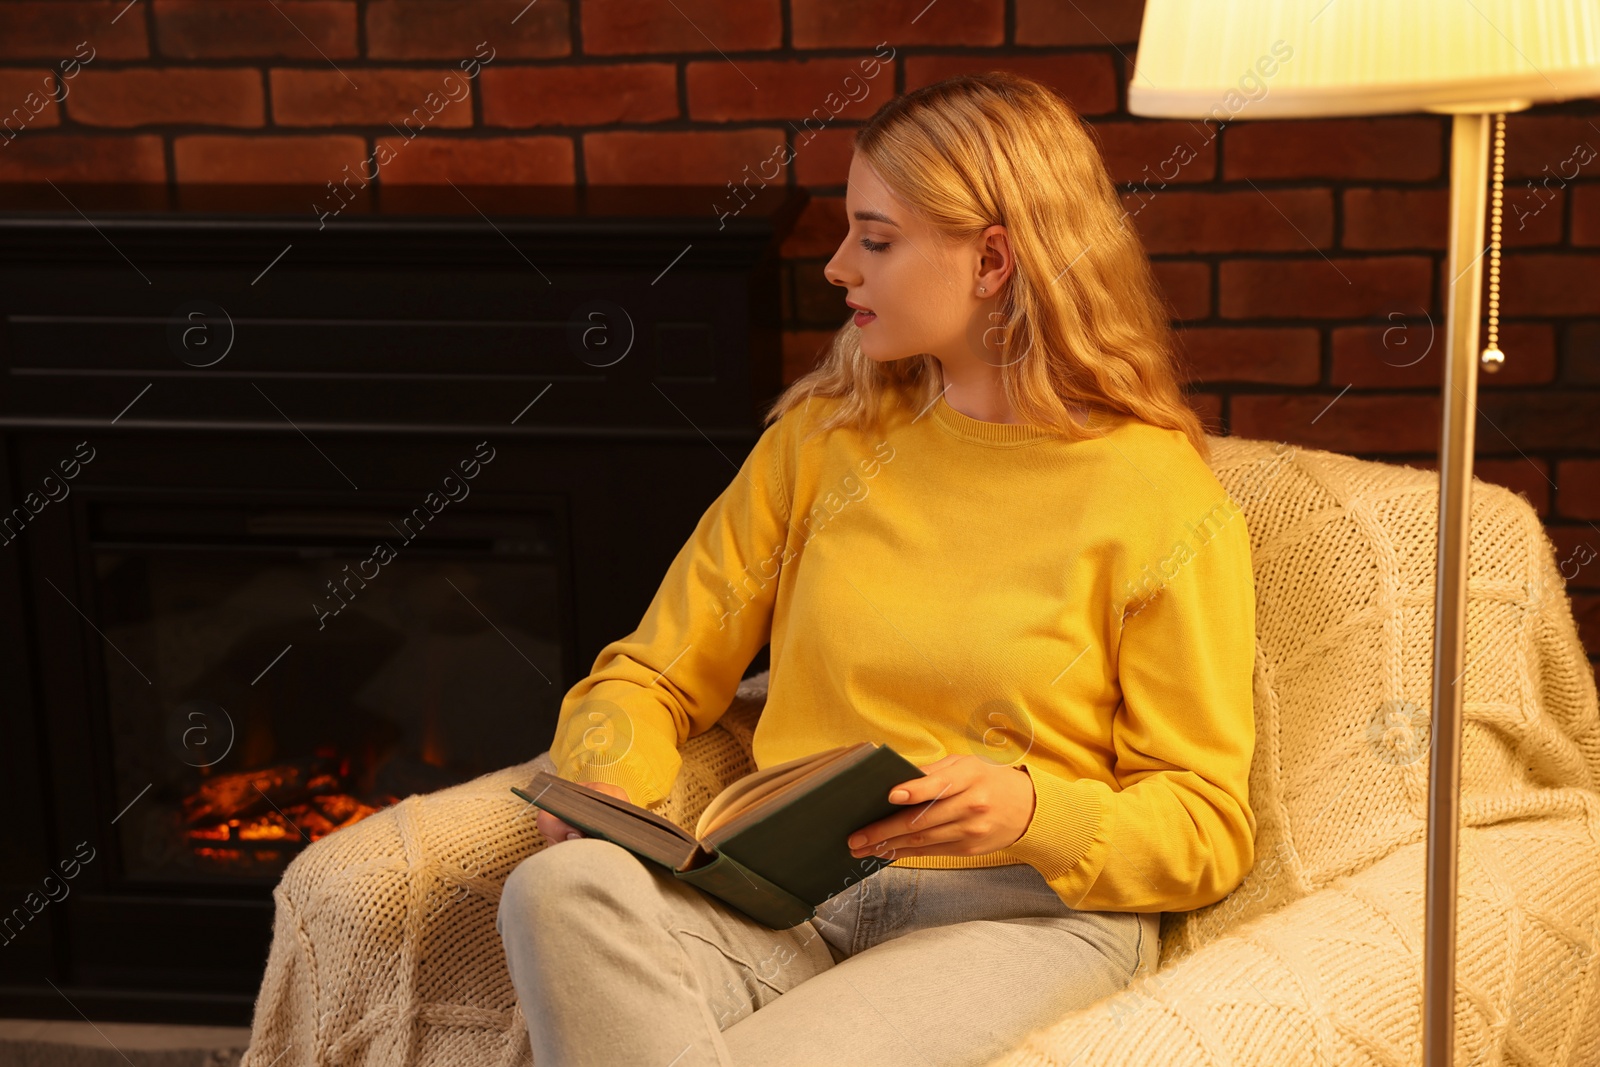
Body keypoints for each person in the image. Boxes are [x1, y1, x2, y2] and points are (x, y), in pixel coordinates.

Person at [496, 70, 1258, 1067]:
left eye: (878, 237)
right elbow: (648, 673)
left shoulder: (1158, 496)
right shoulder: (825, 439)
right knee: (555, 891)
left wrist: (1029, 806)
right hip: (789, 904)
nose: (838, 267)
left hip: (1017, 916)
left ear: (992, 259)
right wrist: (599, 782)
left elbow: (1206, 823)